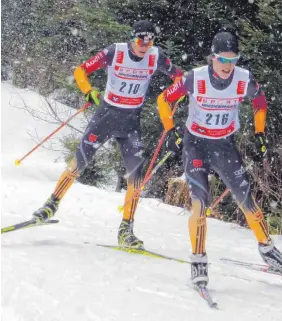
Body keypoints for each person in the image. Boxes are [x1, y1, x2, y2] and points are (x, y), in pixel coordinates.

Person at [157, 32, 282, 286]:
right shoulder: (195, 78)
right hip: (197, 145)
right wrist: (170, 130)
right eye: (222, 59)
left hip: (224, 145)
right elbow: (164, 99)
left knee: (246, 198)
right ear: (213, 57)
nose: (227, 65)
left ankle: (267, 249)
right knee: (199, 203)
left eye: (233, 60)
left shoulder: (243, 79)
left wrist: (259, 133)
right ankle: (198, 259)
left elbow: (260, 101)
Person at [32, 20, 183, 249]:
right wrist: (88, 91)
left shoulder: (156, 56)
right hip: (105, 116)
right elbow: (80, 70)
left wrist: (172, 97)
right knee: (79, 162)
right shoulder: (115, 52)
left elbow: (181, 79)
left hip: (131, 121)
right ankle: (51, 204)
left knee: (136, 176)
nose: (144, 44)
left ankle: (126, 230)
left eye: (149, 39)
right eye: (140, 39)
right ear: (132, 38)